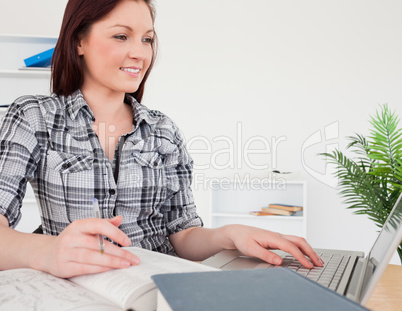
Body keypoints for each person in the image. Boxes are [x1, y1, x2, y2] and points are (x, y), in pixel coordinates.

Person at [0, 0, 323, 278]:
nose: (139, 53)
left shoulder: (163, 131)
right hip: (75, 292)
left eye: (147, 39)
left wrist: (229, 235)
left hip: (156, 287)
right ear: (78, 41)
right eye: (121, 35)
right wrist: (48, 250)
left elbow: (182, 234)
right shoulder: (34, 116)